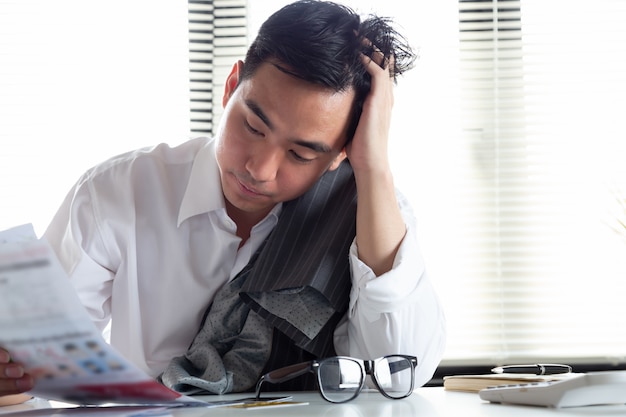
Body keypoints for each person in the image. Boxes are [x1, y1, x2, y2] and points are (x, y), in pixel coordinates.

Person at [0, 0, 446, 404]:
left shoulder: (368, 209)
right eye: (253, 127)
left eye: (300, 153)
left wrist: (375, 167)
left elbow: (401, 367)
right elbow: (35, 365)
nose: (260, 168)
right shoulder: (119, 191)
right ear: (231, 86)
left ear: (342, 151)